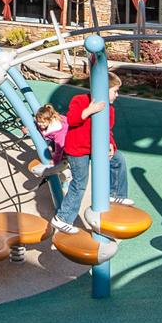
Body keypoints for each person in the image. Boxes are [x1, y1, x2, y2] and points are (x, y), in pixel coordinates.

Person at [50, 73, 130, 234]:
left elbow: (107, 131)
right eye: (115, 91)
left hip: (95, 147)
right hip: (77, 149)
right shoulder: (80, 100)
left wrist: (111, 145)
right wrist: (89, 110)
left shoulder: (110, 110)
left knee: (118, 159)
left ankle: (115, 194)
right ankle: (62, 218)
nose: (117, 94)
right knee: (80, 183)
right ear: (102, 90)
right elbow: (72, 120)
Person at [27, 103, 69, 181]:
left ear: (49, 120)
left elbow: (59, 148)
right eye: (39, 122)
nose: (40, 124)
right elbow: (37, 127)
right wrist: (27, 131)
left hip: (67, 142)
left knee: (55, 150)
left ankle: (65, 164)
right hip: (54, 140)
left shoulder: (58, 131)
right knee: (49, 147)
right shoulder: (43, 123)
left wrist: (55, 161)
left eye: (42, 122)